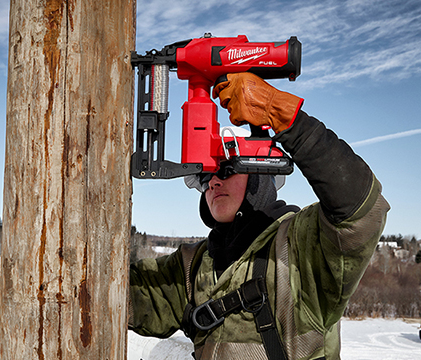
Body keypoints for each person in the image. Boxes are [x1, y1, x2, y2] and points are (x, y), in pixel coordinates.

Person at [128, 72, 390, 360]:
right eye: (206, 176)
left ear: (260, 175)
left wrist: (288, 120)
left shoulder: (300, 249)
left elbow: (361, 208)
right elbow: (123, 292)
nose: (214, 182)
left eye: (226, 169)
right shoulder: (193, 266)